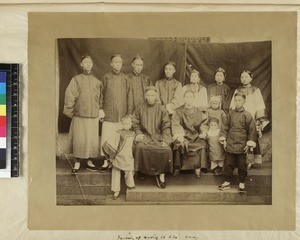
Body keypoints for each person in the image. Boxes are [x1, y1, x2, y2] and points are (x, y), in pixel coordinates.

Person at [63, 55, 105, 173]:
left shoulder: (97, 81)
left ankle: (89, 162)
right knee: (79, 139)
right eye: (85, 62)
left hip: (93, 115)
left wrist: (99, 110)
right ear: (81, 64)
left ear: (92, 65)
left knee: (91, 139)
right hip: (79, 115)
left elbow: (100, 98)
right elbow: (69, 96)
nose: (88, 64)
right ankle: (77, 162)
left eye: (90, 63)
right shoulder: (76, 79)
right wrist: (73, 112)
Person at [132, 86, 173, 189]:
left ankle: (161, 175)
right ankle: (142, 170)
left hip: (158, 136)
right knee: (140, 147)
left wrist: (165, 140)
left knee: (166, 149)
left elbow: (166, 125)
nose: (150, 97)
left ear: (156, 96)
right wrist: (138, 133)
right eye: (148, 95)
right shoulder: (140, 108)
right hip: (145, 136)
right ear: (145, 96)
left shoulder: (162, 109)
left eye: (152, 95)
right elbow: (135, 123)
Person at [99, 54, 133, 172]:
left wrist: (128, 113)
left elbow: (129, 96)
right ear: (111, 64)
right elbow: (101, 94)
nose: (118, 64)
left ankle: (116, 161)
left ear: (121, 64)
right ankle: (105, 161)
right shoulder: (106, 77)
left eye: (120, 62)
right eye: (115, 62)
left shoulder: (125, 78)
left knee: (118, 139)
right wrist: (100, 109)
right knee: (106, 137)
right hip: (108, 114)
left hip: (122, 115)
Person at [229, 70, 269, 168]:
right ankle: (242, 161)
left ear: (251, 78)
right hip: (240, 117)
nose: (244, 79)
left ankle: (251, 161)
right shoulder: (237, 90)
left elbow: (259, 106)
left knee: (251, 138)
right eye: (242, 77)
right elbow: (233, 105)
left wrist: (258, 120)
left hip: (252, 118)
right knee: (241, 137)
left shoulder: (256, 90)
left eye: (246, 77)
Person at [218, 92, 257, 193]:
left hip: (242, 146)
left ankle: (242, 183)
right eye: (236, 100)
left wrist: (249, 143)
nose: (237, 102)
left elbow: (252, 130)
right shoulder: (230, 114)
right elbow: (225, 127)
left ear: (244, 101)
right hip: (230, 144)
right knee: (228, 164)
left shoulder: (247, 115)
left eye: (240, 100)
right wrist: (224, 140)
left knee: (242, 165)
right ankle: (227, 182)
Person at [171, 90, 208, 178]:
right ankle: (177, 168)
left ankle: (197, 167)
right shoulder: (178, 111)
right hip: (183, 135)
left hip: (195, 135)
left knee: (201, 143)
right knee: (178, 143)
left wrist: (203, 132)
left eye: (190, 97)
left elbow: (204, 123)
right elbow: (175, 123)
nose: (188, 99)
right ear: (184, 98)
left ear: (194, 98)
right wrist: (179, 135)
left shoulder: (198, 111)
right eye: (186, 97)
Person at [102, 115, 135, 200]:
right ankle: (116, 190)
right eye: (124, 124)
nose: (126, 125)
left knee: (129, 170)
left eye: (128, 124)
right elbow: (112, 143)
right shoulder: (118, 133)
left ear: (131, 124)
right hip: (118, 156)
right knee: (116, 171)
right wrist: (112, 156)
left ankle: (130, 184)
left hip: (128, 156)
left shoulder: (133, 134)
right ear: (121, 124)